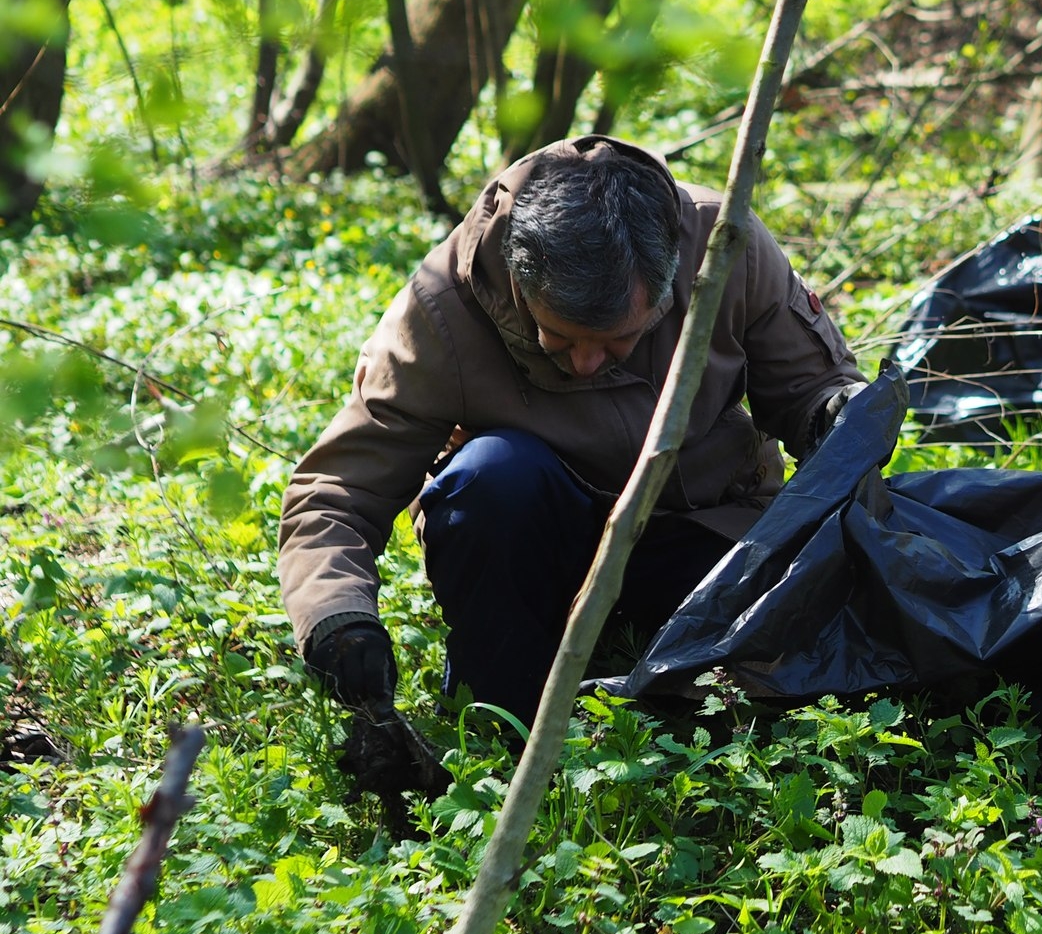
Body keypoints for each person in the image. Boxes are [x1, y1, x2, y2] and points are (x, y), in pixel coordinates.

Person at [277, 136, 865, 727]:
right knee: (491, 477)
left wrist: (837, 411)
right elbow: (339, 491)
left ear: (664, 289)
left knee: (770, 680)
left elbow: (811, 385)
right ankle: (504, 710)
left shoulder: (725, 246)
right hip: (539, 553)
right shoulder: (442, 309)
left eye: (616, 342)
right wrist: (339, 619)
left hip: (704, 531)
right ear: (518, 277)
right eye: (559, 339)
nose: (586, 363)